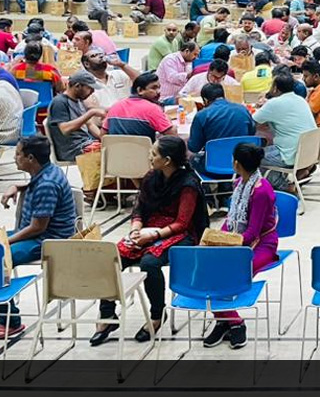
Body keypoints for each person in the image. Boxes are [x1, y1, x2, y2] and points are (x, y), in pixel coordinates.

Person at [91, 137, 209, 346]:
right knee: (113, 257)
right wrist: (136, 229)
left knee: (150, 262)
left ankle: (157, 315)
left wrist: (153, 235)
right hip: (150, 228)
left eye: (154, 154)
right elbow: (139, 209)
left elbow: (182, 223)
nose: (149, 157)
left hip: (181, 234)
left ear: (167, 160)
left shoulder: (188, 184)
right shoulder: (151, 178)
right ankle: (107, 315)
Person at [201, 142, 278, 350]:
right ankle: (226, 320)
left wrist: (225, 244)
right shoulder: (239, 184)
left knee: (226, 272)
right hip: (239, 240)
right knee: (205, 267)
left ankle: (233, 322)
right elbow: (230, 220)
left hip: (261, 244)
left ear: (236, 163)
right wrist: (216, 238)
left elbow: (252, 233)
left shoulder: (261, 191)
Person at [0, 136, 77, 336]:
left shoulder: (47, 184)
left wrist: (6, 242)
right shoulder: (47, 171)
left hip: (47, 240)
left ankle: (9, 320)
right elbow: (34, 186)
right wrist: (17, 186)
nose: (14, 158)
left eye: (18, 154)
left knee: (0, 257)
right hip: (33, 234)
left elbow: (38, 227)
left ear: (31, 158)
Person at [252, 72, 318, 192]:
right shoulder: (301, 100)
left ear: (275, 88)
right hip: (308, 152)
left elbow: (253, 121)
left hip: (290, 153)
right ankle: (299, 173)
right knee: (266, 151)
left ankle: (285, 186)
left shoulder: (274, 103)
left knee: (253, 157)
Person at [186, 83, 256, 173]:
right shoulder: (243, 110)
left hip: (212, 166)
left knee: (191, 159)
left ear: (205, 100)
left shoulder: (202, 115)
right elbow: (251, 133)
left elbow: (194, 147)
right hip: (241, 165)